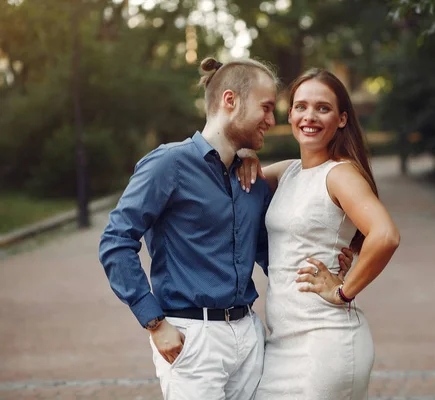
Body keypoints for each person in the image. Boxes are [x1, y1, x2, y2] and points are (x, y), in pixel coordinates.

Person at [98, 57, 353, 400]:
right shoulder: (168, 164)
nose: (272, 119)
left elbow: (273, 253)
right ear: (230, 101)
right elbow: (116, 240)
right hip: (192, 337)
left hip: (249, 335)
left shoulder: (251, 179)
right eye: (265, 108)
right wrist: (154, 322)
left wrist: (331, 269)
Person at [237, 69, 401, 399]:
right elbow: (233, 179)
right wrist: (245, 155)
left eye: (322, 108)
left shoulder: (340, 174)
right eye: (301, 106)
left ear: (341, 120)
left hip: (325, 343)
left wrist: (344, 291)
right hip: (282, 343)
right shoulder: (289, 171)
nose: (309, 116)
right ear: (291, 112)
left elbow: (385, 235)